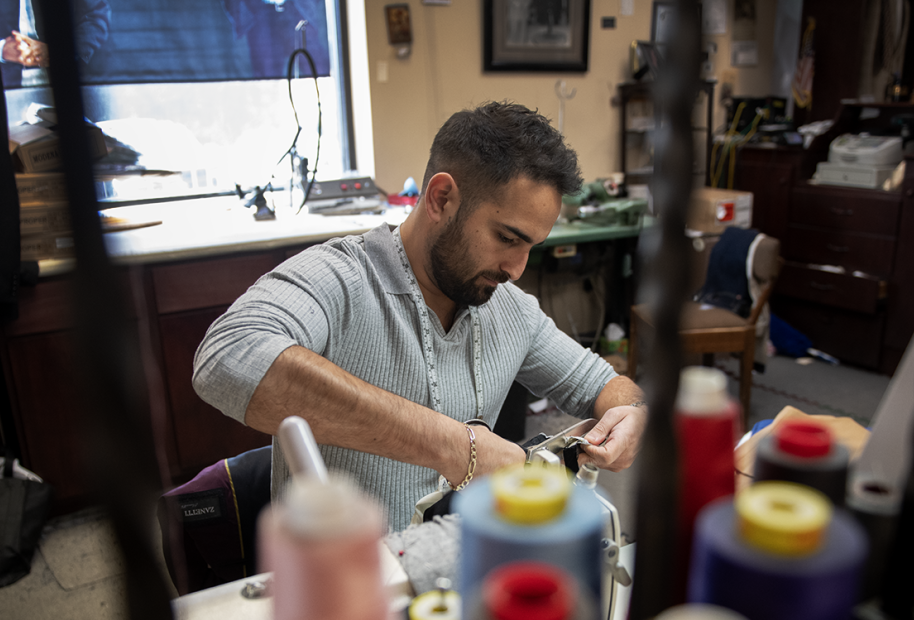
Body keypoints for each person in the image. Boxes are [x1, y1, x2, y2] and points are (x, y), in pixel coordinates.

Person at [193, 102, 647, 532]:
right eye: (507, 238)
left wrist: (632, 415)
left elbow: (605, 386)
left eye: (531, 246)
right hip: (349, 591)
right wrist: (457, 448)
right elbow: (228, 358)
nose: (516, 270)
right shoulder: (340, 278)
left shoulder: (511, 310)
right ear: (441, 198)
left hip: (455, 576)